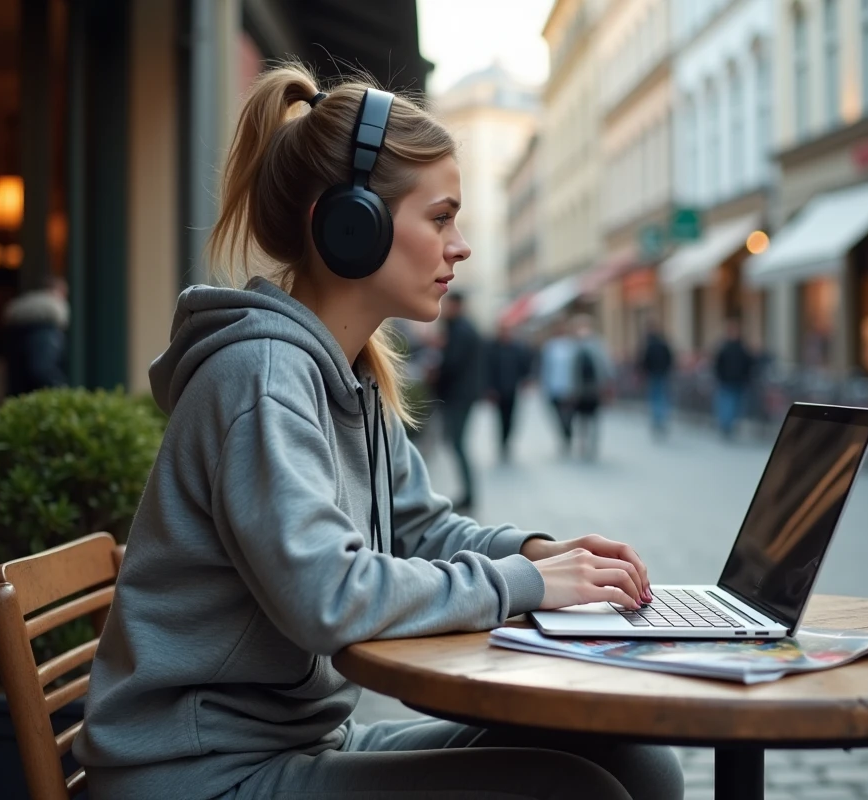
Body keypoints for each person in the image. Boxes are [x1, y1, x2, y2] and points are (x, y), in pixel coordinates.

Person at [74, 65, 681, 800]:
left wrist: (537, 553)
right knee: (575, 790)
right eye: (440, 217)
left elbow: (418, 526)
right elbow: (327, 595)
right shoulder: (263, 377)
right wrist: (525, 585)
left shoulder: (348, 373)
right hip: (198, 772)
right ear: (349, 223)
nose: (460, 247)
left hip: (292, 744)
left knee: (634, 759)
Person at [434, 291, 482, 511]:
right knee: (457, 443)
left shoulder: (461, 330)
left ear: (457, 305)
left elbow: (453, 363)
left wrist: (435, 373)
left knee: (458, 443)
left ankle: (469, 494)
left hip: (458, 396)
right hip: (462, 394)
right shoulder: (462, 328)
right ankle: (468, 492)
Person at [1, 274, 69, 396]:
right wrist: (61, 390)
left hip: (18, 397)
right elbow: (42, 370)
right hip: (37, 399)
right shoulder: (47, 326)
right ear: (57, 291)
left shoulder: (18, 322)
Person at [485, 323, 531, 462]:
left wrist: (525, 380)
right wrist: (489, 388)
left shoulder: (517, 348)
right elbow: (487, 368)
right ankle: (502, 440)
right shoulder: (492, 348)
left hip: (512, 388)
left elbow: (524, 365)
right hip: (498, 389)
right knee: (499, 417)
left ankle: (507, 439)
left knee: (510, 417)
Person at [568, 314, 613, 460]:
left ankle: (592, 443)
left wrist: (608, 384)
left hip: (593, 388)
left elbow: (605, 365)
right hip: (581, 389)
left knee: (593, 417)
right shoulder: (575, 346)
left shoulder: (596, 345)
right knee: (581, 418)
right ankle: (583, 442)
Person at [539, 319, 576, 453]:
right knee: (558, 414)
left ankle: (568, 433)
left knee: (569, 414)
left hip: (570, 387)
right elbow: (545, 368)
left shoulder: (571, 346)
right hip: (554, 387)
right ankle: (564, 434)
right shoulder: (550, 346)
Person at [713, 318, 753, 439]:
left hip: (736, 381)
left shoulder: (739, 347)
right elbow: (718, 364)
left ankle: (728, 425)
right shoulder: (731, 347)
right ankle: (727, 425)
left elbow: (748, 364)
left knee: (732, 404)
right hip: (728, 381)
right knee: (729, 403)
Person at [638, 322, 674, 438]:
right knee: (661, 397)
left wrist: (643, 371)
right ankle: (660, 419)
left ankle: (657, 419)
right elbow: (670, 358)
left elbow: (644, 360)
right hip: (662, 374)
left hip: (653, 374)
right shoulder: (663, 343)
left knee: (655, 397)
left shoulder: (648, 344)